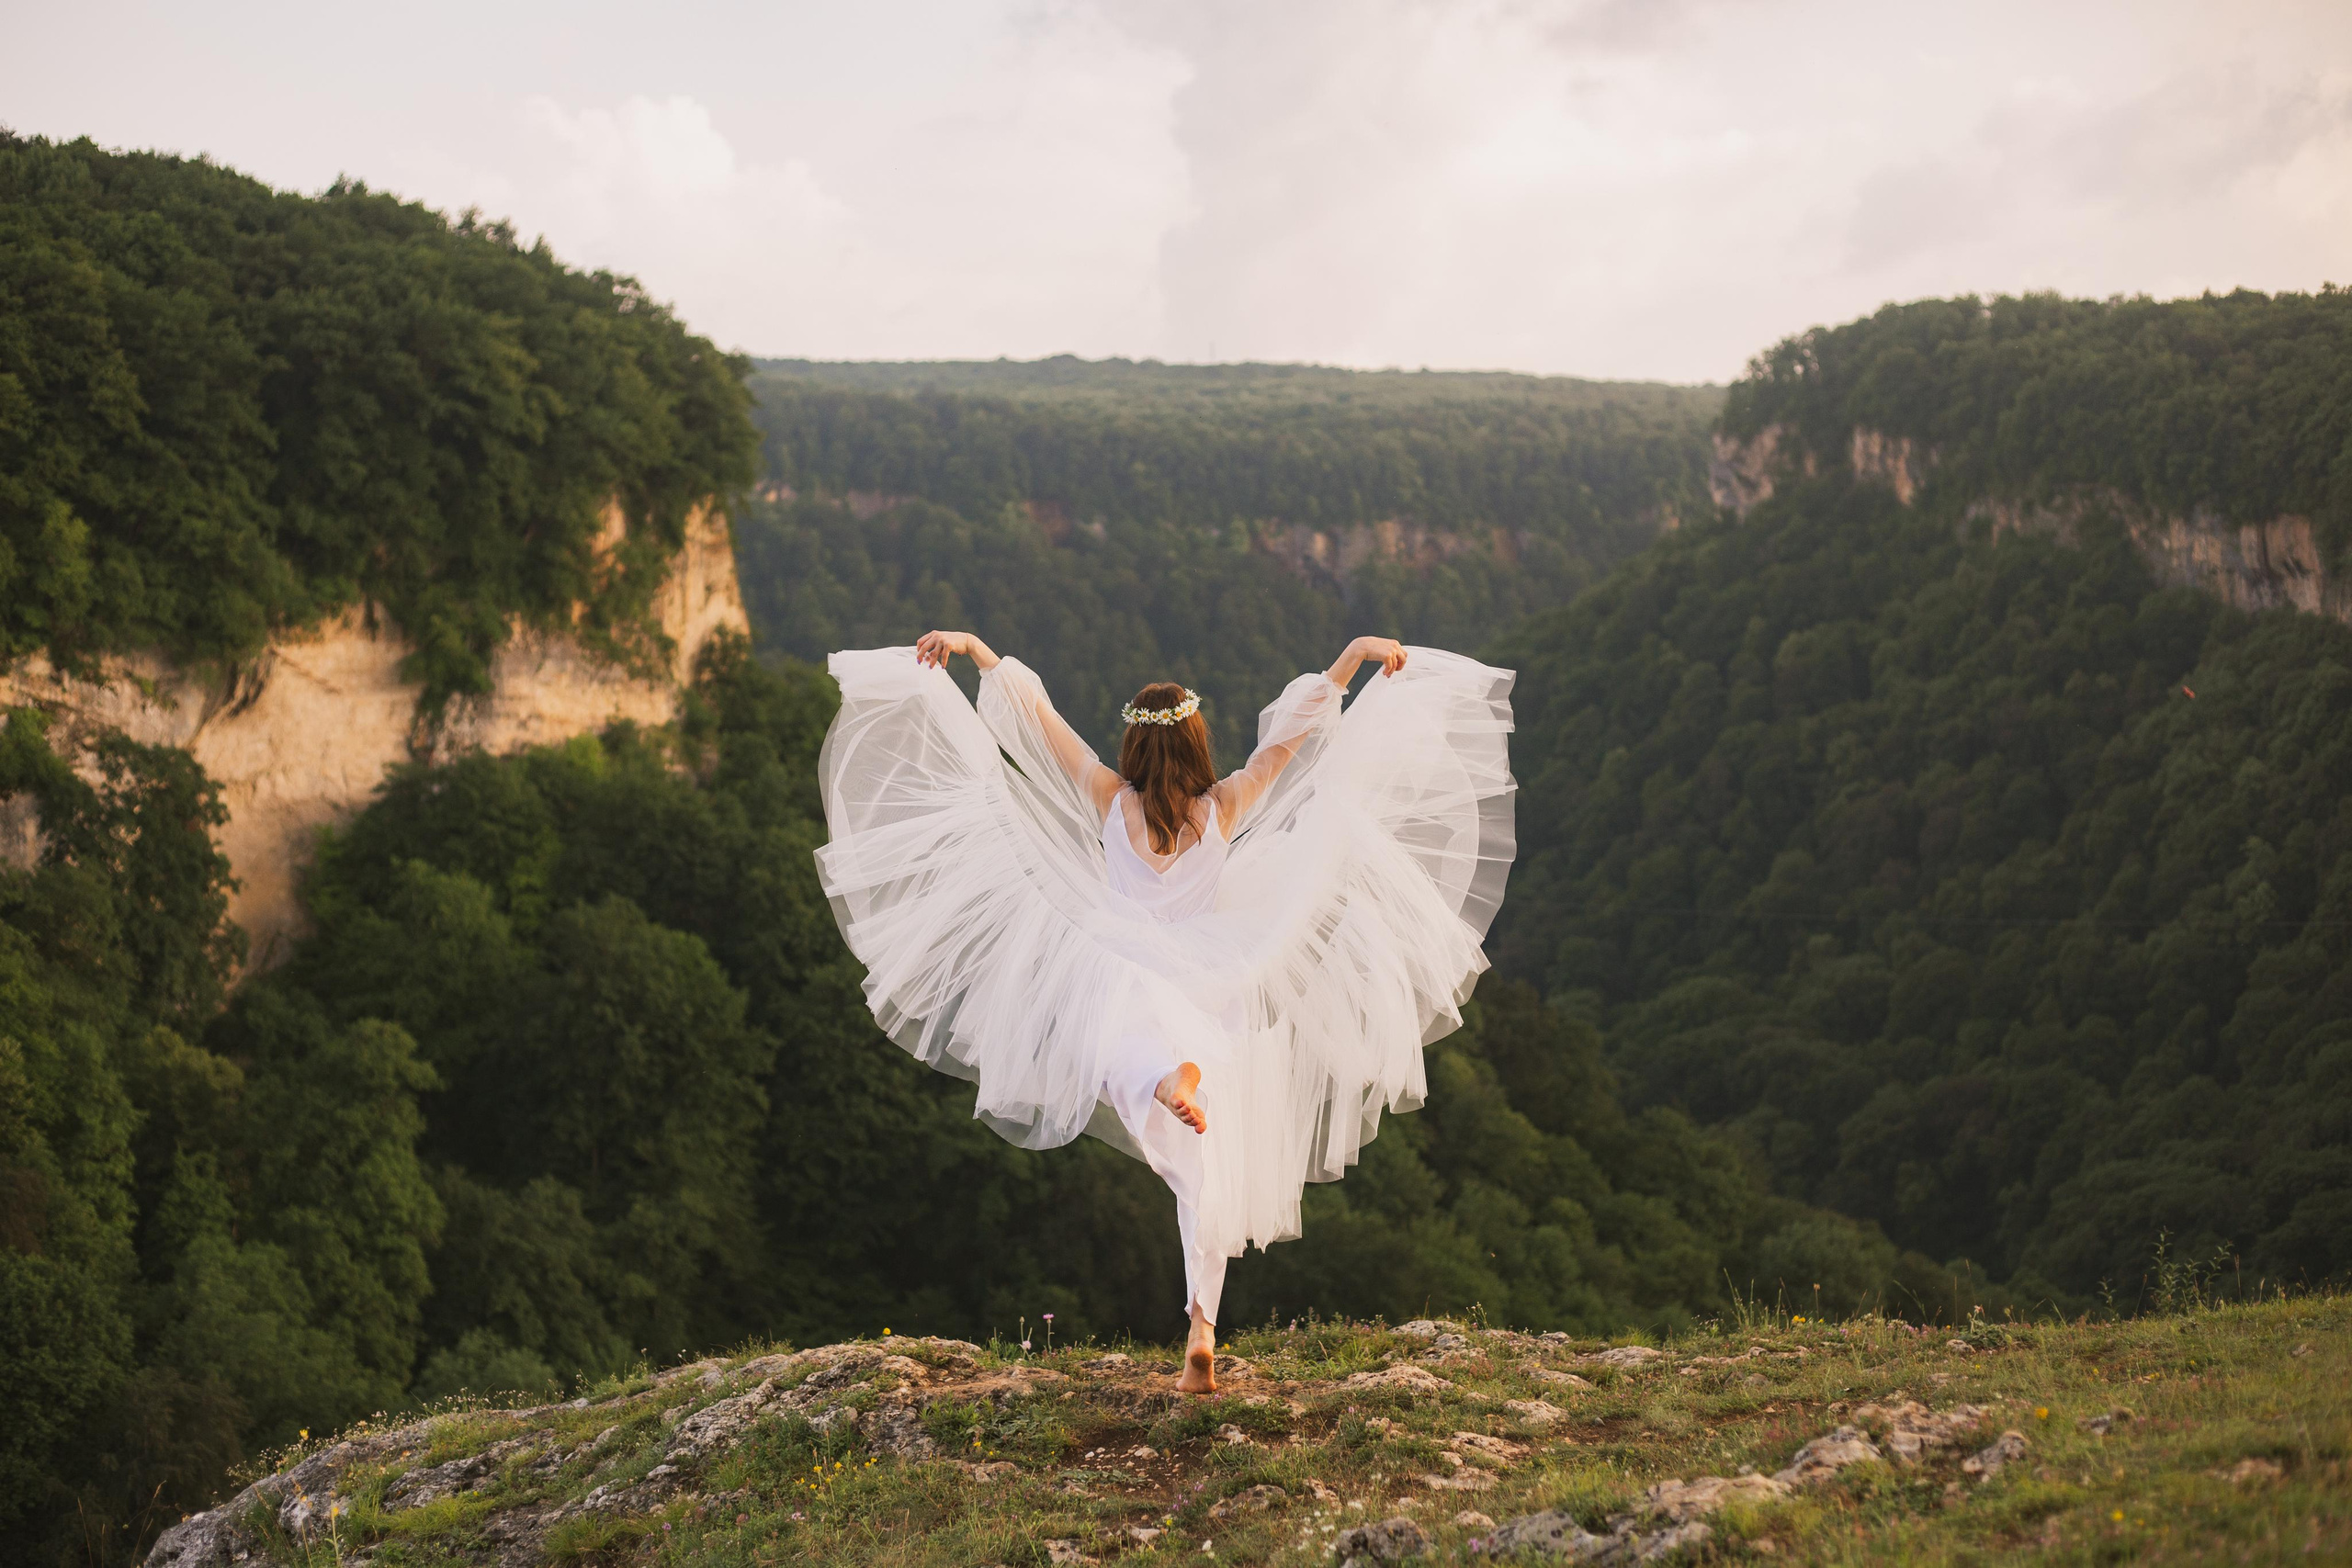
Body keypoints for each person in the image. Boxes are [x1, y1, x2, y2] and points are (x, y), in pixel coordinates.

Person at [815, 631, 1515, 1393]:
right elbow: (1289, 742)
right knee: (1201, 1176)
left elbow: (1042, 722)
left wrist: (981, 654)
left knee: (1110, 1060)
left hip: (1129, 970)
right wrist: (1350, 658)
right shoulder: (1223, 806)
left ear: (1135, 745)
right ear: (1194, 741)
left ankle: (1160, 1081)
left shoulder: (1112, 799)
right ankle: (1202, 1330)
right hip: (1212, 982)